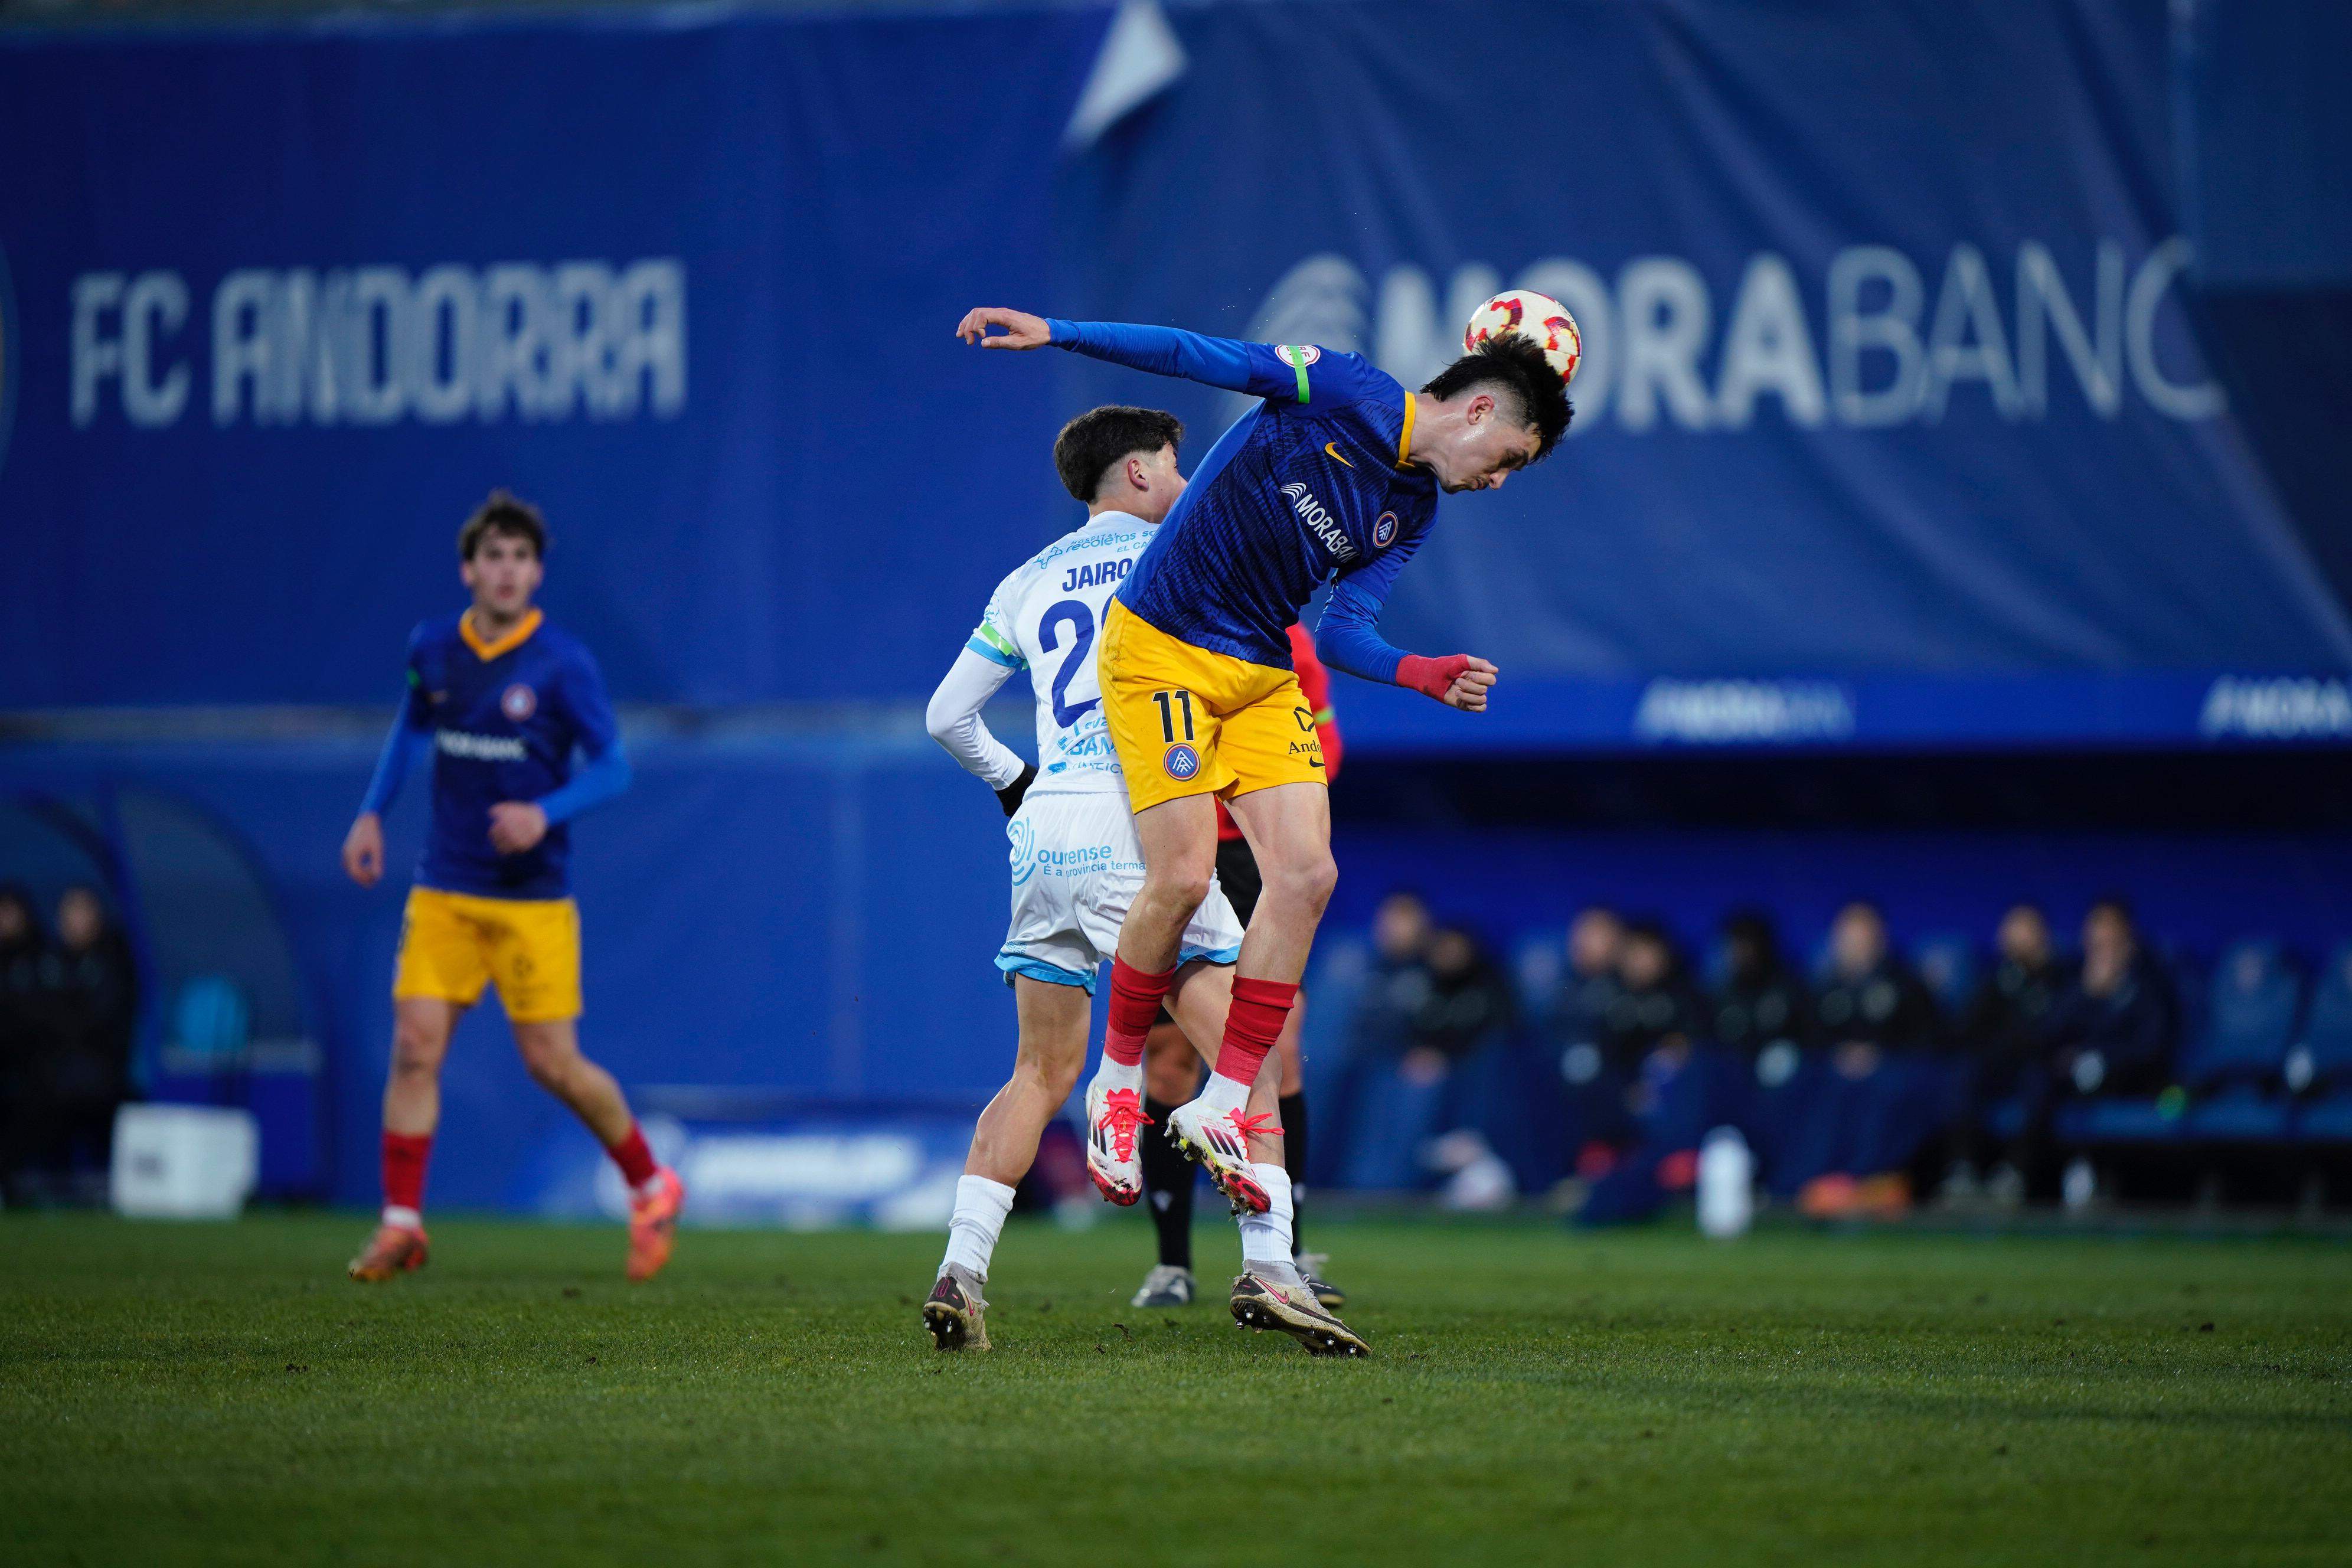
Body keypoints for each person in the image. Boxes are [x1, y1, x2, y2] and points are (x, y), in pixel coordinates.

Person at [954, 305, 1569, 1331]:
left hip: (1255, 671)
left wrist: (1422, 672)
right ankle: (1115, 1082)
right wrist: (1055, 333)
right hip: (1156, 645)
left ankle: (1213, 1102)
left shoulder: (1410, 510)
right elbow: (1198, 354)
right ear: (1475, 410)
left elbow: (1348, 629)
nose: (1498, 479)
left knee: (1308, 875)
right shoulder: (1341, 386)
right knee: (1183, 877)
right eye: (1507, 456)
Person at [918, 407, 1361, 1356]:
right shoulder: (1184, 566)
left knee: (1036, 1072)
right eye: (1173, 460)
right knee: (1250, 1059)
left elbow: (946, 716)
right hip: (1143, 828)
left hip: (1045, 836)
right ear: (1138, 473)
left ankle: (961, 1270)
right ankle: (1274, 1268)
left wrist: (1015, 785)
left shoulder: (1026, 580)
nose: (1185, 475)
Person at [339, 492, 678, 1283]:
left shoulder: (563, 663)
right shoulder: (433, 648)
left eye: (522, 558)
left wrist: (543, 811)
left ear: (536, 574)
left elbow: (615, 766)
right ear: (469, 568)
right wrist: (369, 815)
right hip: (445, 888)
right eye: (494, 555)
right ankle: (401, 1224)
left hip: (531, 898)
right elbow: (410, 729)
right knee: (415, 1049)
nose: (507, 570)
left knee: (554, 1066)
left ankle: (651, 1184)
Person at [1132, 621, 1343, 1312]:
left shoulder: (1292, 644)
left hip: (1254, 855)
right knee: (1169, 1056)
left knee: (1279, 1042)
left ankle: (1286, 1250)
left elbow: (1325, 749)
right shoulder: (1156, 628)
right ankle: (1171, 1262)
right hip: (1177, 848)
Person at [1791, 901, 1943, 1218]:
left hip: (1892, 1070)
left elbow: (1927, 1039)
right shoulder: (1824, 988)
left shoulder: (1905, 984)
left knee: (1884, 1088)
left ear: (1880, 940)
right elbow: (1808, 1038)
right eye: (1849, 939)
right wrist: (1841, 1055)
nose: (1856, 947)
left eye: (1863, 939)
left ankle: (1866, 1182)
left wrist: (1877, 1054)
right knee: (1808, 1084)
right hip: (1835, 1073)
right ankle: (1808, 1181)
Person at [1949, 903, 2070, 1204]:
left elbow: (2059, 1031)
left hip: (2036, 1065)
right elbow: (1967, 1029)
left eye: (2026, 930)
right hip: (1998, 1066)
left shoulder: (2060, 978)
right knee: (1964, 1074)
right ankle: (1962, 1171)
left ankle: (2015, 1174)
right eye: (2012, 930)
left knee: (2038, 1082)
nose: (2018, 938)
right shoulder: (1997, 979)